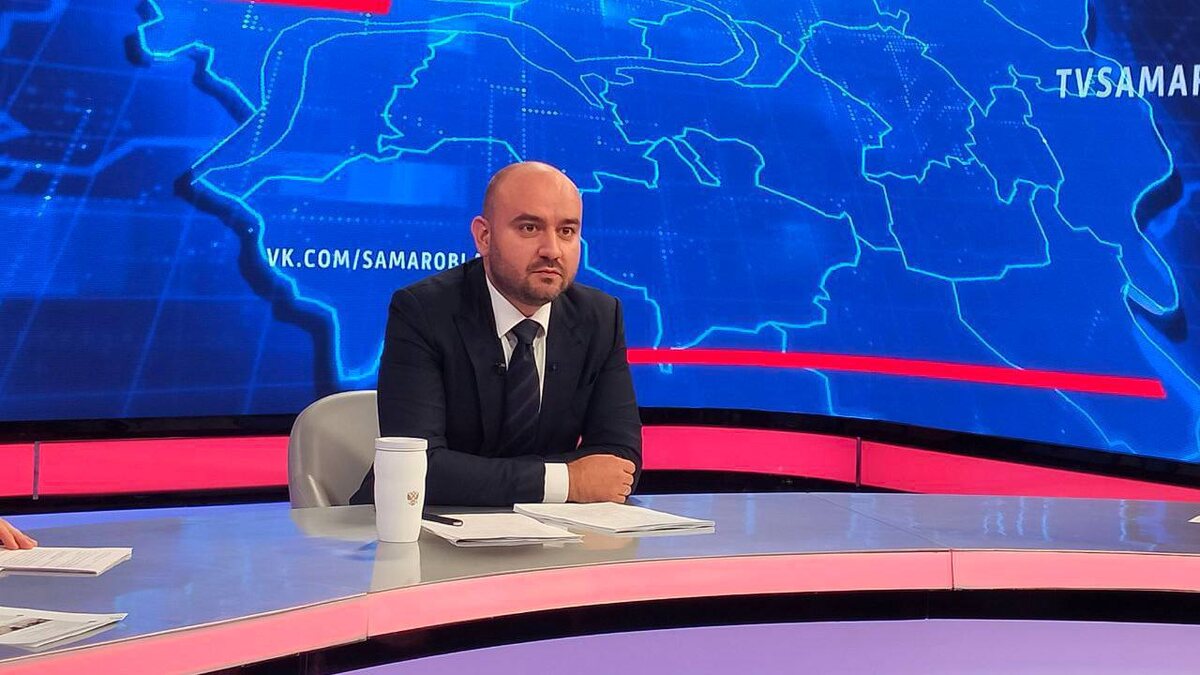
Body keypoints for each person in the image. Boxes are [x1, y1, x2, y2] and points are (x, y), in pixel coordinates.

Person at [351, 161, 642, 506]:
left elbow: (618, 463)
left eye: (567, 231)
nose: (552, 250)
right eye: (530, 228)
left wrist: (481, 477)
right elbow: (417, 467)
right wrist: (569, 481)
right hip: (420, 524)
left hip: (548, 530)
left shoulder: (601, 317)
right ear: (484, 237)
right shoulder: (422, 311)